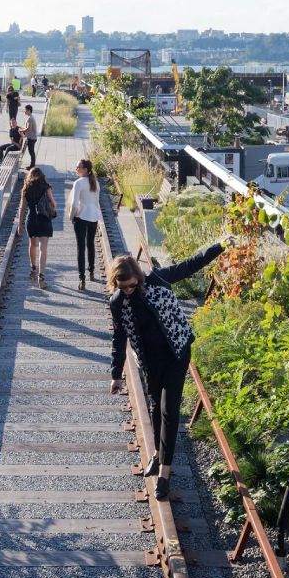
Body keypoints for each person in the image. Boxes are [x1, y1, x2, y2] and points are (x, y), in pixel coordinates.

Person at [107, 243, 228, 499]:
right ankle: (157, 453)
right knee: (156, 407)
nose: (128, 291)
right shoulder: (118, 302)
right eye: (122, 287)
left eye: (131, 285)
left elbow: (190, 265)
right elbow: (119, 337)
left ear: (138, 277)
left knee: (169, 410)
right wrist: (116, 374)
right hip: (150, 361)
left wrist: (220, 246)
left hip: (176, 354)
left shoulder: (157, 279)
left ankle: (164, 473)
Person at [16, 167, 57, 289]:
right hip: (44, 219)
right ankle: (41, 277)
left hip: (32, 219)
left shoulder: (26, 189)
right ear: (42, 176)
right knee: (43, 248)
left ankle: (33, 269)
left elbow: (22, 208)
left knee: (32, 245)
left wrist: (20, 225)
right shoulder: (46, 187)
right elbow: (54, 204)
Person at [69, 159, 101, 290]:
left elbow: (74, 204)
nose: (76, 169)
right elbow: (97, 202)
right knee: (91, 244)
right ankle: (91, 272)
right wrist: (98, 217)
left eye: (79, 167)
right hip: (93, 216)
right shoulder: (95, 182)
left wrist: (71, 216)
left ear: (86, 169)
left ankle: (82, 279)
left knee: (81, 248)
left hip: (81, 216)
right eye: (76, 167)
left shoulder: (78, 183)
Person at [20, 104, 38, 169]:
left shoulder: (30, 118)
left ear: (29, 110)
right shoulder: (30, 117)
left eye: (25, 110)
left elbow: (29, 129)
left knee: (31, 151)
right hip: (32, 137)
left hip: (31, 138)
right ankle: (32, 165)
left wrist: (21, 130)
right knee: (31, 151)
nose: (24, 111)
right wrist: (22, 129)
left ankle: (32, 165)